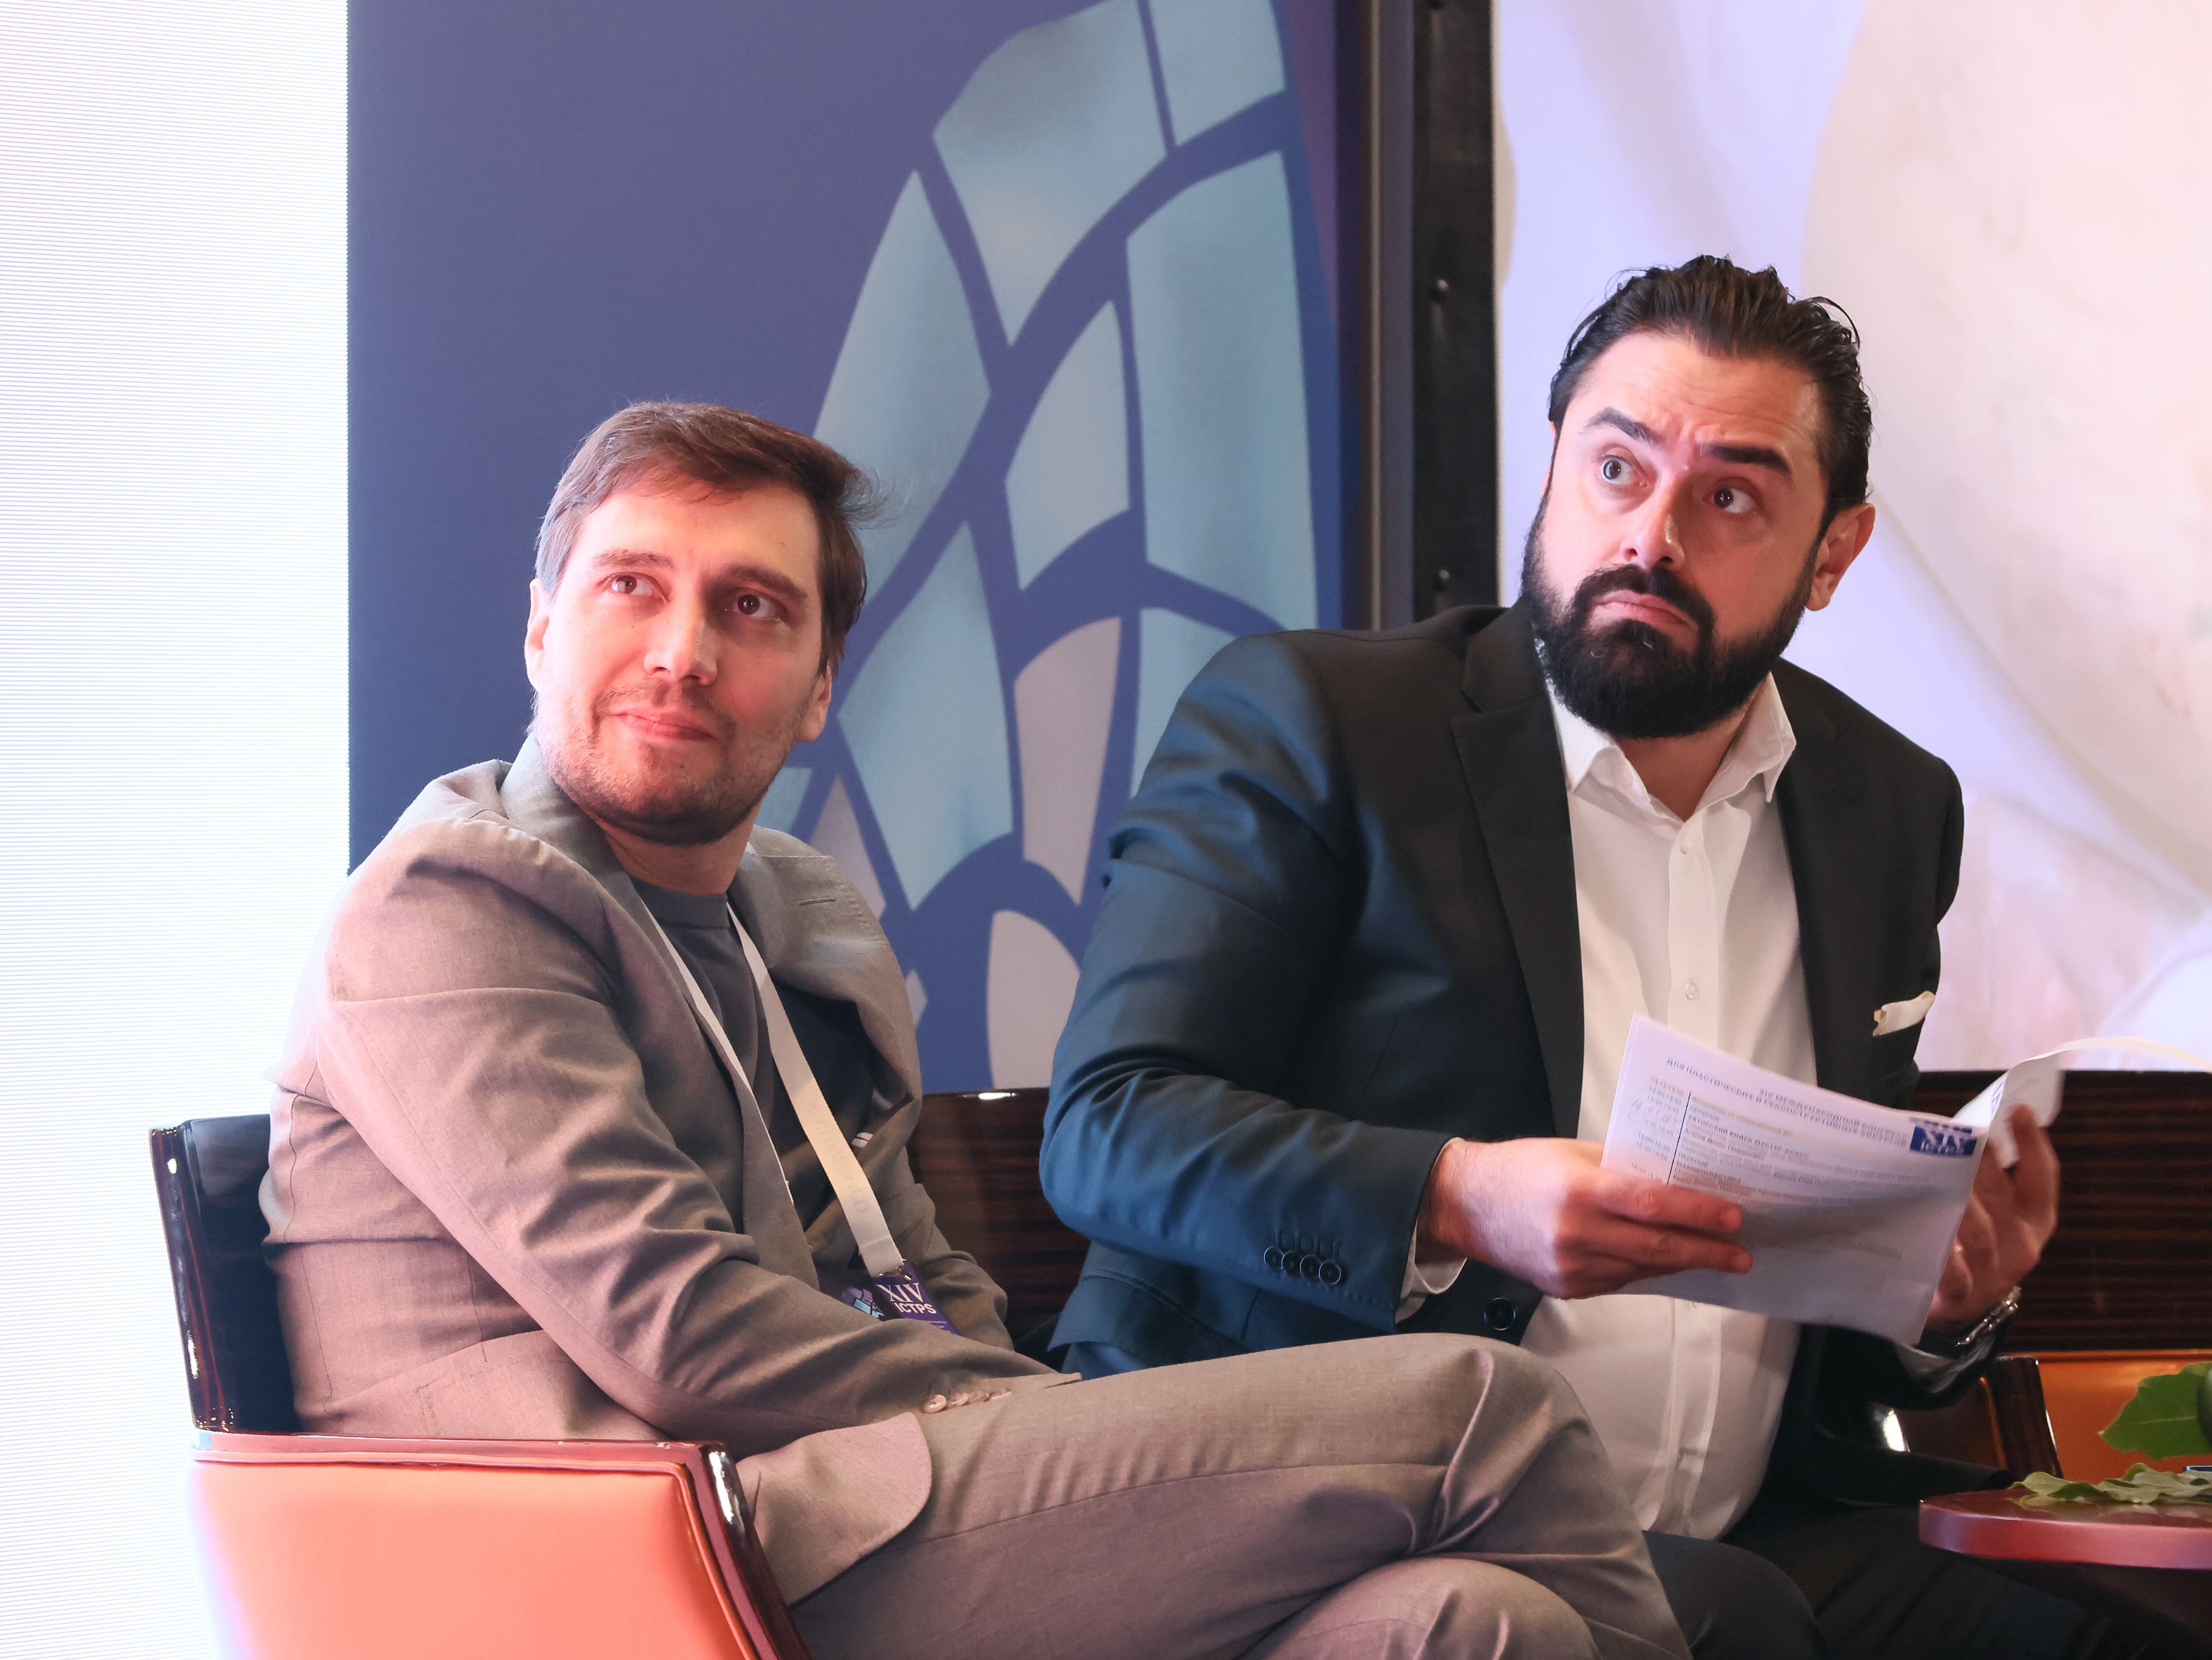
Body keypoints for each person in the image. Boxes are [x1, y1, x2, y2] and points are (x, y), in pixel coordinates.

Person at [260, 401, 1691, 1660]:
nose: (683, 652)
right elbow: (673, 1329)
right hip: (633, 1568)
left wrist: (1019, 1415)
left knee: (1470, 1628)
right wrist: (1024, 1419)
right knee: (1486, 1410)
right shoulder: (456, 905)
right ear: (540, 627)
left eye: (751, 608)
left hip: (836, 1520)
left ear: (820, 689)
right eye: (631, 586)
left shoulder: (790, 920)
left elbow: (910, 1270)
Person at [1038, 259, 2111, 1659]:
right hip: (1350, 1514)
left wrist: (1933, 1303)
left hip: (1746, 1529)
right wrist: (1455, 1198)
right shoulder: (1316, 721)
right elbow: (1111, 1125)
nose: (1651, 537)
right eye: (1617, 468)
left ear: (1832, 554)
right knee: (1731, 1626)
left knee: (2119, 1616)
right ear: (1552, 468)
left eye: (1730, 498)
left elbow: (1822, 1286)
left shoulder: (1891, 804)